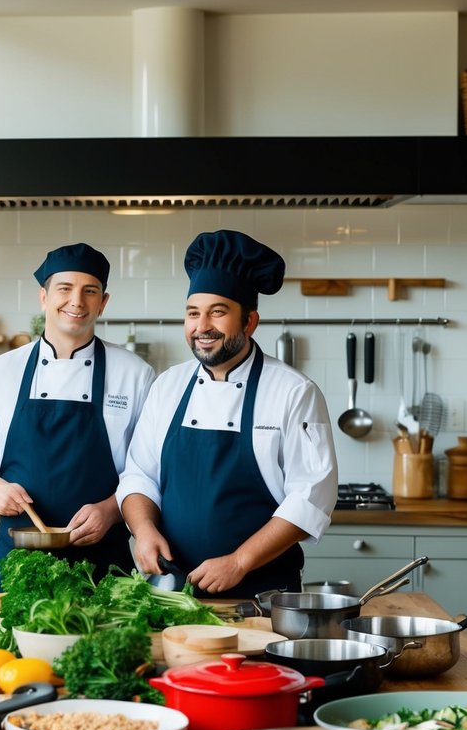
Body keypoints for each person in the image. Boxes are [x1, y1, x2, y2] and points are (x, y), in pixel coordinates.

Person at [117, 229, 337, 599]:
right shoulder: (168, 386)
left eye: (218, 313)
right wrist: (143, 531)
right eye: (193, 314)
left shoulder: (293, 392)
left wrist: (239, 561)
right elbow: (139, 475)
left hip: (261, 595)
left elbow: (311, 497)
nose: (202, 327)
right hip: (171, 591)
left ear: (249, 322)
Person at [0, 242, 156, 595]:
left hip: (103, 560)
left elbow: (150, 468)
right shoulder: (3, 371)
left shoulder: (134, 373)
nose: (77, 301)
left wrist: (111, 510)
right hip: (19, 558)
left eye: (89, 291)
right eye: (65, 288)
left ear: (103, 303)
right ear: (43, 297)